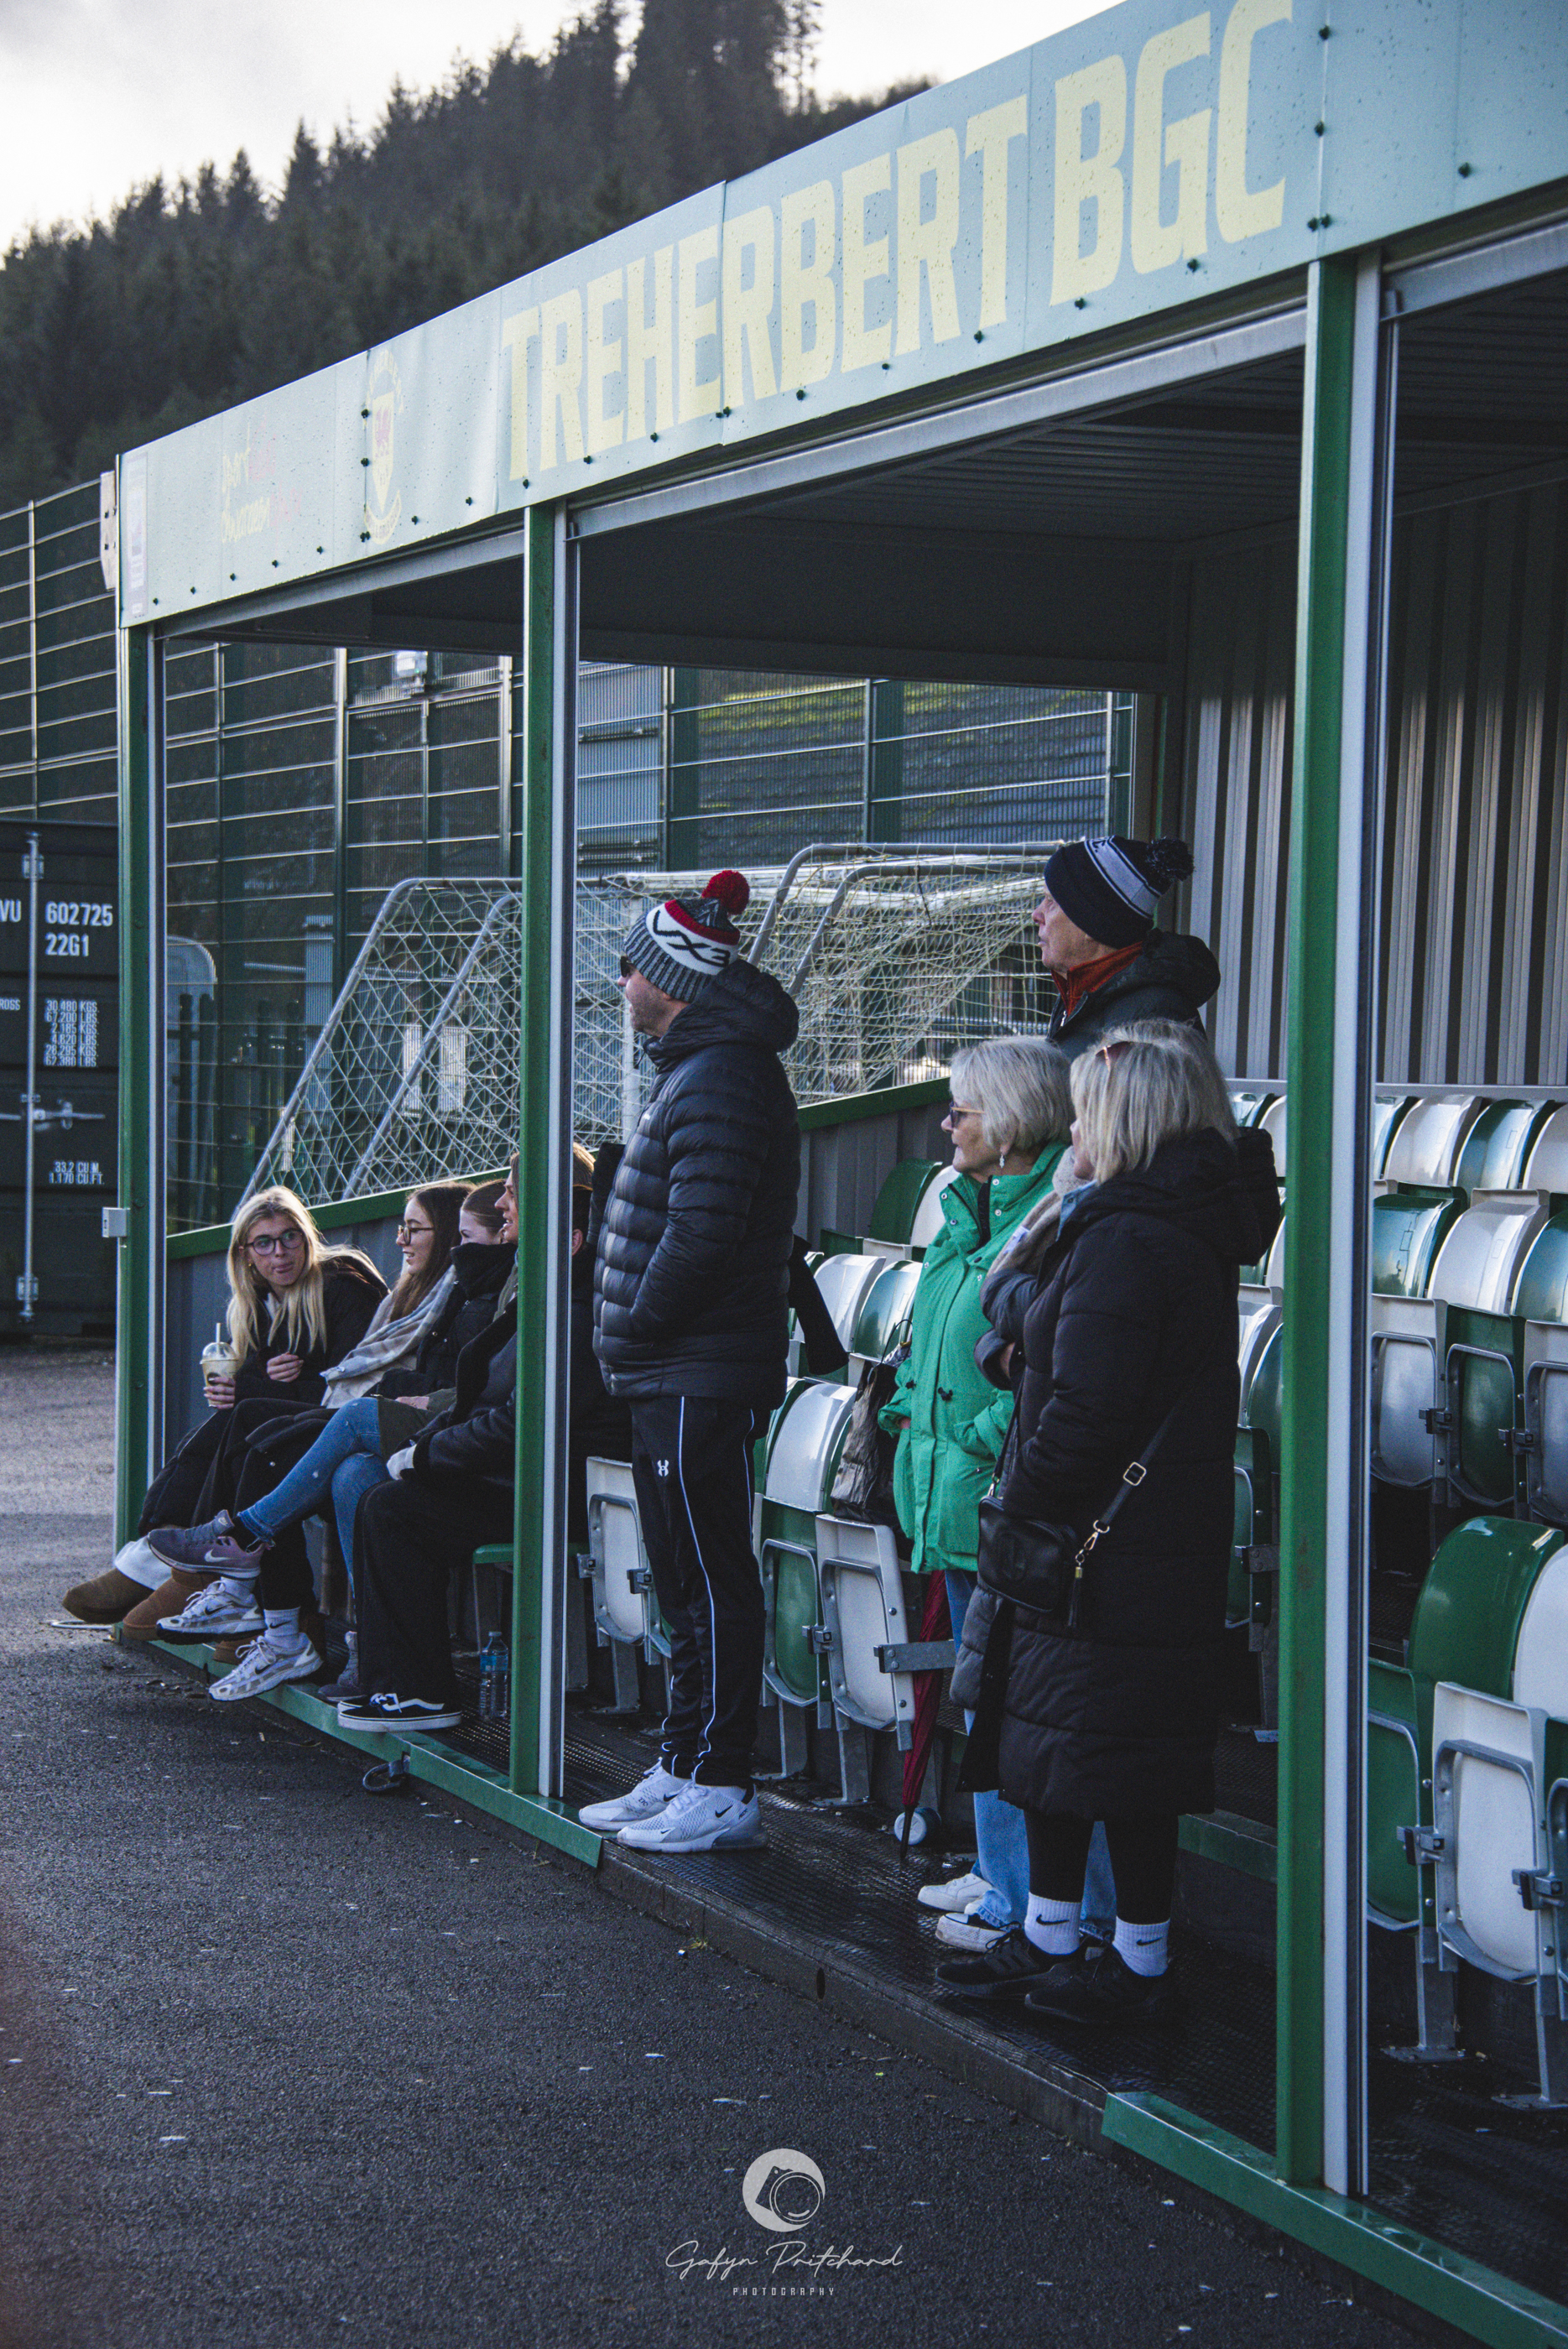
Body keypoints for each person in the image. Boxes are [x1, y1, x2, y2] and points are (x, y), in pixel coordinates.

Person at [937, 1024, 1280, 2023]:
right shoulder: (1145, 1227)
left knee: (1108, 1757)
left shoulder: (1128, 1236)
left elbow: (1084, 1412)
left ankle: (1133, 1966)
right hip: (1131, 1539)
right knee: (1061, 1745)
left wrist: (1021, 1494)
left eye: (1086, 1109)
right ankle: (1061, 1939)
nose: (1071, 1127)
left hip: (1100, 1541)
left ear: (1121, 1121)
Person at [581, 869, 800, 1853]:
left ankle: (722, 1777)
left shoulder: (725, 1074)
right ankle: (683, 1758)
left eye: (634, 964)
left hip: (692, 1368)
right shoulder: (700, 1064)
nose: (621, 978)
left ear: (669, 974)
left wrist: (634, 1329)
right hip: (674, 1369)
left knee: (709, 1574)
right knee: (680, 1571)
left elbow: (703, 1235)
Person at [145, 1180, 505, 1695]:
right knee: (301, 1448)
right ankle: (333, 1640)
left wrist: (418, 1399)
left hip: (446, 1445)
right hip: (406, 1430)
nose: (401, 1240)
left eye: (416, 1229)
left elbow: (462, 1388)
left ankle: (237, 1553)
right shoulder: (431, 1290)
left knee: (279, 1428)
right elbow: (389, 1374)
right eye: (263, 1243)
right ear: (244, 1255)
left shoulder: (393, 1286)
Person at [880, 1039, 1072, 1955]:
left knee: (1003, 1701)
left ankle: (1022, 1893)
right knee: (978, 1695)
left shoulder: (1046, 1224)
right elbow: (935, 1349)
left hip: (988, 1496)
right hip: (949, 1497)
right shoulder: (963, 1216)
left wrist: (969, 1447)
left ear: (1015, 1123)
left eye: (965, 1110)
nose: (947, 1123)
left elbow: (1037, 1373)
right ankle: (1002, 1874)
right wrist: (912, 1424)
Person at [61, 1190, 386, 1627]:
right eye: (265, 1243)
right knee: (235, 1430)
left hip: (351, 1438)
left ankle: (175, 1564)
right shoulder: (258, 1305)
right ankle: (169, 1555)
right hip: (293, 1439)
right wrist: (245, 1388)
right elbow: (255, 1389)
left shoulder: (343, 1287)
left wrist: (259, 1387)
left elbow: (356, 1390)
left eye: (291, 1238)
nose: (280, 1253)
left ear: (309, 1240)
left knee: (249, 1433)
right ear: (246, 1254)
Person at [1034, 836, 1219, 1055]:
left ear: (1091, 922)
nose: (1036, 915)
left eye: (1051, 901)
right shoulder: (1080, 993)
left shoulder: (1155, 1018)